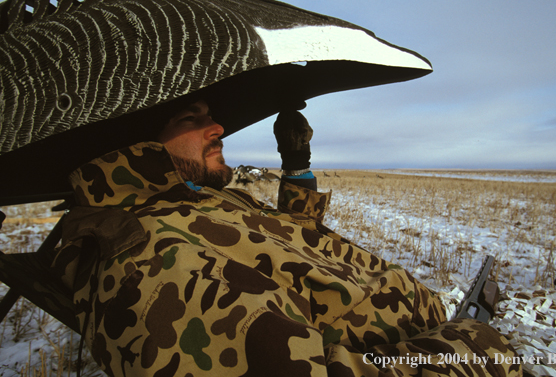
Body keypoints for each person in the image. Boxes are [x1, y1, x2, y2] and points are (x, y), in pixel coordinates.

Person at [51, 99, 522, 377]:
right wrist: (472, 352)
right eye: (188, 118)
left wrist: (296, 163)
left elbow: (286, 244)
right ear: (131, 139)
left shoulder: (187, 201)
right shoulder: (147, 264)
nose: (219, 128)